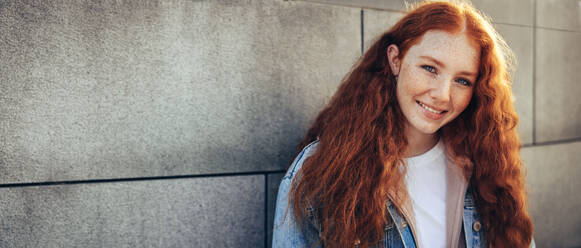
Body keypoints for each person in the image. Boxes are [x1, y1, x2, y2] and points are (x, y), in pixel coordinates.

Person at [272, 1, 535, 247]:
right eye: (430, 68)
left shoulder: (485, 164)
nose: (443, 94)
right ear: (395, 60)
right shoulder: (321, 169)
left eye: (462, 81)